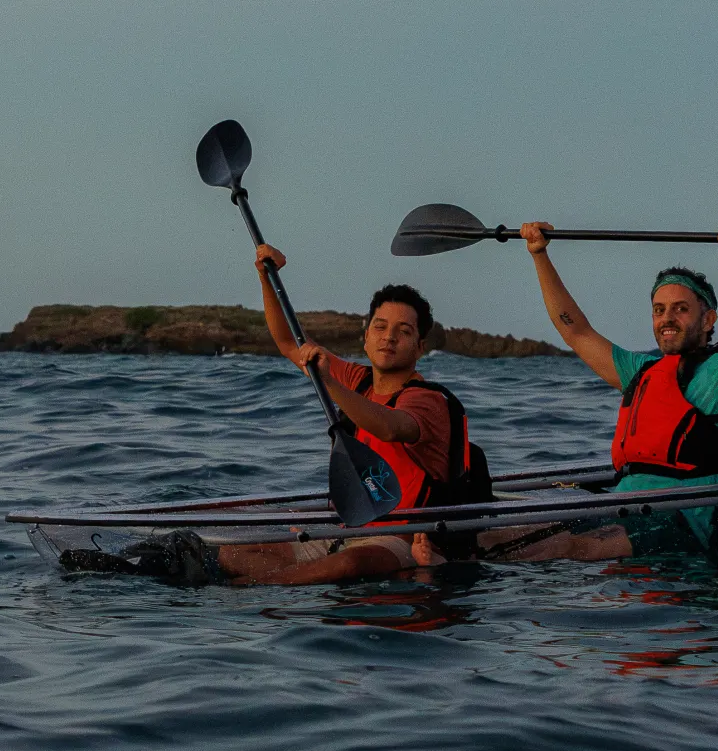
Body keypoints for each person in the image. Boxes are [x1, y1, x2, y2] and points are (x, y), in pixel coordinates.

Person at [138, 250, 624, 586]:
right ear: (366, 334)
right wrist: (266, 276)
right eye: (381, 327)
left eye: (404, 331)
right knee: (235, 553)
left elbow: (389, 427)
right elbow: (289, 342)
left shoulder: (428, 400)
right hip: (358, 519)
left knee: (356, 565)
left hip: (413, 533)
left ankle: (241, 594)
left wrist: (326, 380)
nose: (390, 337)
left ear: (420, 345)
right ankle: (158, 564)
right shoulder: (354, 377)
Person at [518, 223, 718, 500]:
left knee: (570, 545)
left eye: (680, 309)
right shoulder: (639, 371)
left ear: (708, 320)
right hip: (621, 507)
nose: (667, 318)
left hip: (683, 519)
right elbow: (575, 332)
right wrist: (539, 255)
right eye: (659, 310)